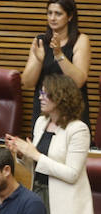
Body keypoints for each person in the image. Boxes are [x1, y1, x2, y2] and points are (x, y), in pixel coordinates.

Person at [5, 74, 93, 214]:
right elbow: (37, 164)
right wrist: (21, 154)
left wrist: (35, 155)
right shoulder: (41, 123)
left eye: (45, 94)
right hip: (37, 194)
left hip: (65, 202)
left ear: (60, 96)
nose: (40, 97)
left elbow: (72, 174)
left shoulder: (78, 129)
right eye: (41, 93)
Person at [22, 0, 92, 135]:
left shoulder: (81, 40)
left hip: (71, 111)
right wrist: (38, 60)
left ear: (70, 16)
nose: (52, 18)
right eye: (49, 13)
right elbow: (27, 82)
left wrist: (59, 55)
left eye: (58, 14)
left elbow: (78, 81)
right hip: (44, 111)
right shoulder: (40, 41)